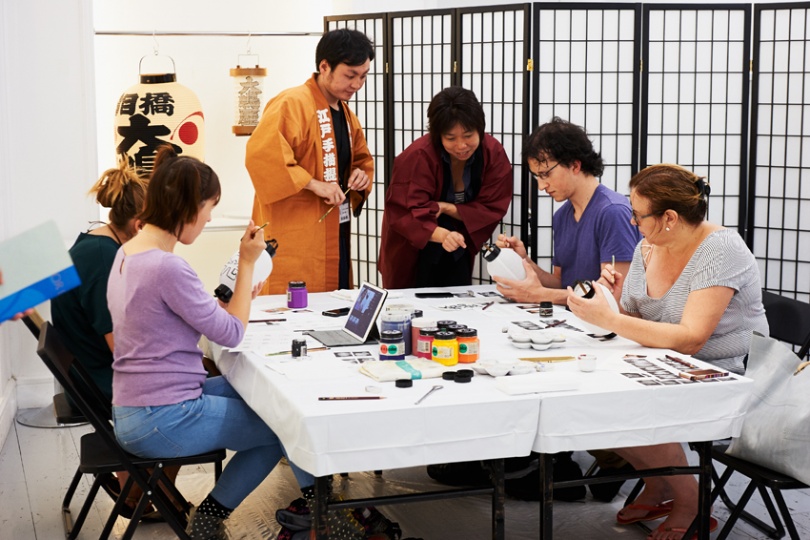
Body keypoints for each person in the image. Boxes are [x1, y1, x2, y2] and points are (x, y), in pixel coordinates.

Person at [106, 146, 318, 540]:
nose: (207, 221)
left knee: (268, 398)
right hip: (162, 415)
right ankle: (318, 512)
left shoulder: (128, 252)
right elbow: (232, 333)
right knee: (283, 426)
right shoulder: (167, 266)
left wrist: (223, 303)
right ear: (188, 207)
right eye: (208, 210)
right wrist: (247, 261)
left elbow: (171, 316)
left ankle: (318, 509)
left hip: (136, 406)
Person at [567, 163, 768, 539]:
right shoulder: (648, 246)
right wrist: (609, 300)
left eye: (638, 215)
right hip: (668, 363)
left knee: (628, 405)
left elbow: (691, 338)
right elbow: (636, 320)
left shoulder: (721, 249)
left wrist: (610, 320)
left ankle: (691, 501)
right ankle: (660, 485)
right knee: (589, 401)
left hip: (728, 374)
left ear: (669, 218)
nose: (632, 222)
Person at [245, 28, 375, 294]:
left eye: (363, 76)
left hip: (334, 229)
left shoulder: (348, 115)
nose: (357, 84)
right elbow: (262, 156)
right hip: (295, 231)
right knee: (292, 303)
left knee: (332, 303)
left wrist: (361, 176)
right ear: (324, 66)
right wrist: (314, 184)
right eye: (350, 75)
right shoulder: (291, 103)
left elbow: (362, 160)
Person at [493, 117, 640, 304]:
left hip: (605, 327)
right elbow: (562, 284)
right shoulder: (562, 216)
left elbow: (615, 295)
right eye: (537, 176)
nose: (541, 186)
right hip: (573, 320)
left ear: (575, 165)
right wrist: (523, 260)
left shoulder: (613, 212)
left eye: (546, 174)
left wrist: (540, 295)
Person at [378, 86, 513, 288]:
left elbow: (492, 205)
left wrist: (448, 208)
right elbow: (404, 210)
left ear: (480, 128)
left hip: (459, 240)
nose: (461, 146)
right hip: (415, 245)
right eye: (451, 138)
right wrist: (442, 235)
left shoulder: (492, 152)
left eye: (468, 135)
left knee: (456, 299)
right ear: (437, 134)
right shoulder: (418, 156)